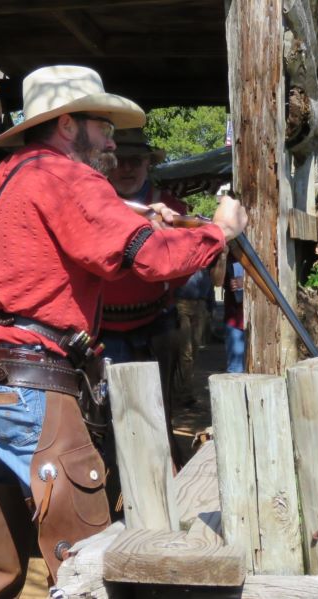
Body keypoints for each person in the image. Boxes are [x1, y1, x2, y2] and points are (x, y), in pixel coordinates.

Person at [0, 65, 247, 599]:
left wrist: (137, 220)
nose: (113, 141)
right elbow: (152, 259)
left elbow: (73, 245)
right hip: (28, 386)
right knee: (90, 563)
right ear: (68, 124)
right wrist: (219, 230)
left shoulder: (0, 176)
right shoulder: (66, 176)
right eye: (104, 125)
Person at [101, 128, 187, 468]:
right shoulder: (93, 204)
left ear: (148, 164)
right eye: (119, 161)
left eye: (135, 161)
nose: (127, 168)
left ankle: (160, 476)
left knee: (157, 410)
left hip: (156, 327)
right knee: (107, 413)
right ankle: (112, 481)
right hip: (102, 331)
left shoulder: (173, 209)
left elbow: (184, 265)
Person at [173, 268, 213, 406]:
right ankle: (185, 392)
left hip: (200, 304)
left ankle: (186, 387)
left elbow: (210, 279)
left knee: (194, 350)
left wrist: (210, 306)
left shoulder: (203, 260)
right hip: (181, 303)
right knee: (186, 352)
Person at [211, 247, 246, 373]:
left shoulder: (258, 248)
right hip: (235, 320)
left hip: (260, 322)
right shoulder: (226, 252)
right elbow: (217, 282)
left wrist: (246, 282)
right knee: (236, 370)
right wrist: (223, 257)